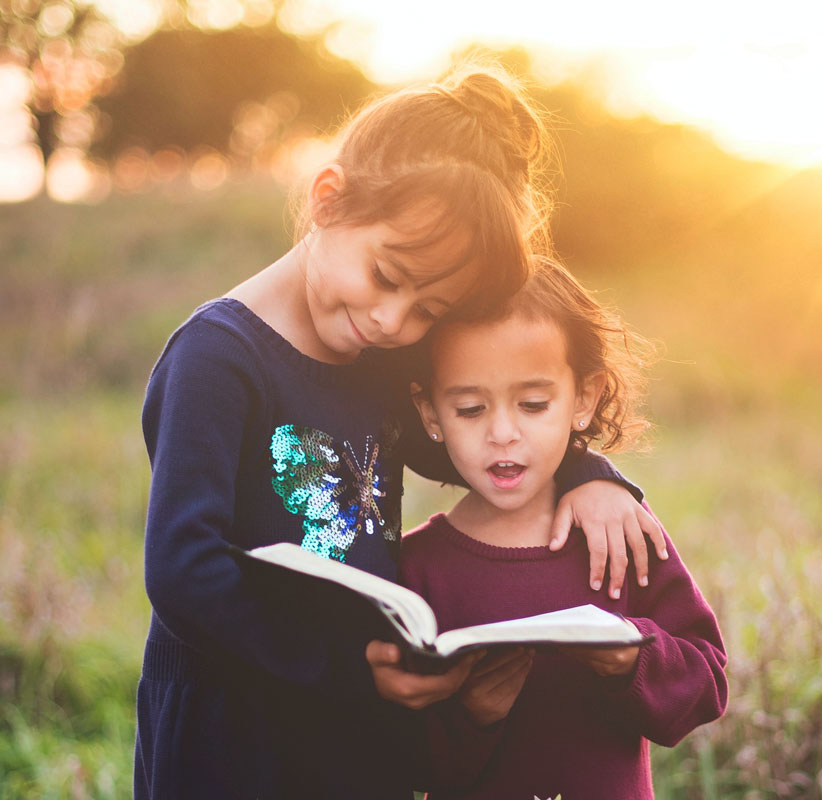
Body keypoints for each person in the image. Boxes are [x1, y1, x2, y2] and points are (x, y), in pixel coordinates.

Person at [133, 65, 666, 799]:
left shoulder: (377, 359)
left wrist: (592, 477)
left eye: (428, 309)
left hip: (359, 722)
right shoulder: (218, 358)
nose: (394, 321)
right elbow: (183, 572)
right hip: (236, 726)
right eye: (387, 276)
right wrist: (352, 666)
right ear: (328, 199)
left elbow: (479, 448)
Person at [402, 259, 728, 799]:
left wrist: (633, 656)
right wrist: (472, 715)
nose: (502, 433)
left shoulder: (619, 533)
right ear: (430, 412)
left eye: (533, 404)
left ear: (583, 398)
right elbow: (404, 760)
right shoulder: (417, 570)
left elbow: (708, 685)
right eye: (469, 408)